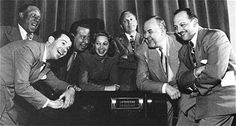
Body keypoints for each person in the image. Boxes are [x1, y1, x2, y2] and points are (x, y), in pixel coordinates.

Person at [173, 8, 236, 126]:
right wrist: (196, 71)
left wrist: (193, 84)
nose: (179, 30)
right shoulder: (183, 51)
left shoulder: (215, 37)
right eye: (176, 27)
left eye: (182, 24)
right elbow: (181, 80)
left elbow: (214, 74)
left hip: (222, 98)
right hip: (199, 99)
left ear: (195, 22)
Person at [0, 30, 76, 125]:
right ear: (51, 40)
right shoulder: (30, 49)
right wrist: (49, 102)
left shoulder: (44, 63)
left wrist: (70, 89)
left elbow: (54, 81)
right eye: (63, 43)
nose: (64, 50)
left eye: (68, 48)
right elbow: (22, 86)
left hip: (5, 95)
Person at [136, 16, 181, 126]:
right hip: (163, 97)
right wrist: (165, 87)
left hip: (186, 91)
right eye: (145, 32)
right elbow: (141, 82)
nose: (146, 36)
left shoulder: (180, 42)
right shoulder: (142, 51)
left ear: (163, 31)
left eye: (150, 32)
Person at [115, 10, 143, 91]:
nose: (129, 22)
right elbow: (118, 62)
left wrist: (127, 57)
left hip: (145, 81)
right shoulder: (116, 41)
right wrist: (140, 60)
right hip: (126, 83)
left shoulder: (145, 39)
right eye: (125, 21)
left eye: (131, 19)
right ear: (121, 26)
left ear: (136, 22)